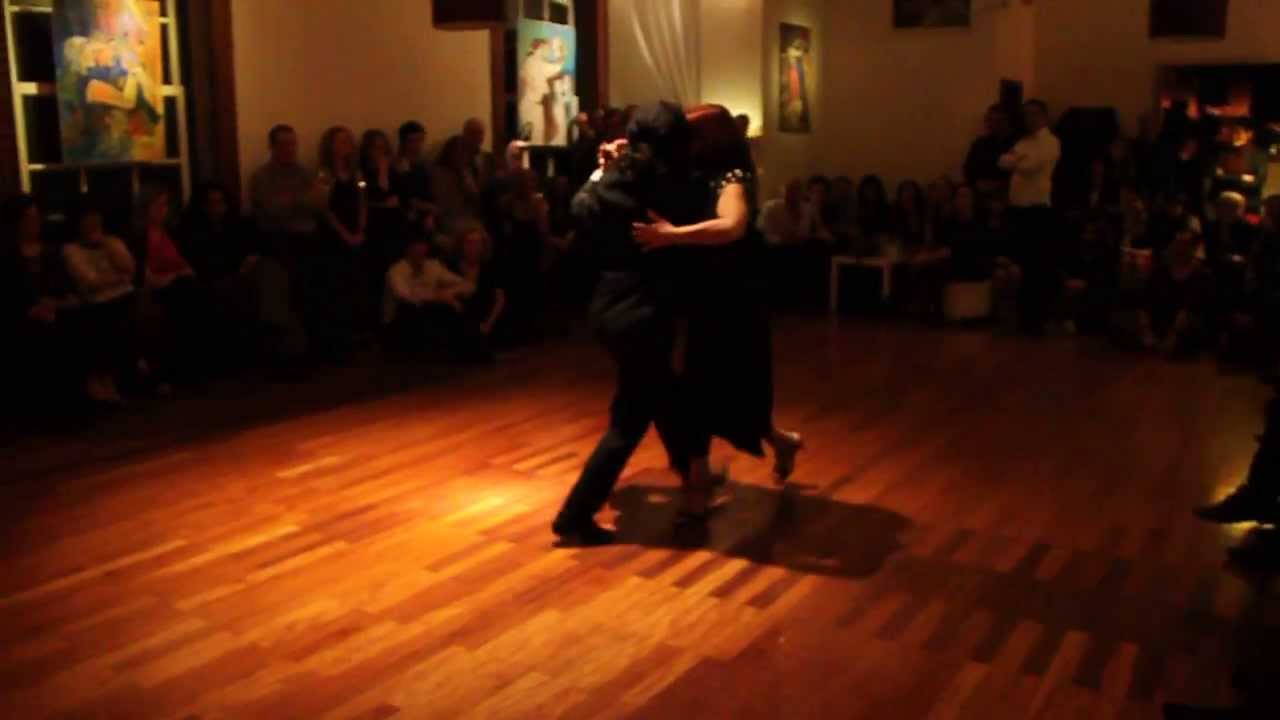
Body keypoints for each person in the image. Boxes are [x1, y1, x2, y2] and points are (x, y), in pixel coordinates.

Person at [632, 103, 806, 503]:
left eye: (692, 135)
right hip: (708, 292)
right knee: (707, 386)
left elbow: (732, 226)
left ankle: (703, 481)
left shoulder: (732, 178)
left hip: (732, 297)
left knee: (720, 386)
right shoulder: (698, 172)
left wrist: (671, 235)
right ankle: (759, 451)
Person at [551, 102, 702, 545]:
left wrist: (604, 168)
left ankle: (692, 471)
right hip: (645, 311)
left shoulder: (617, 178)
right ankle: (575, 516)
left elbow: (580, 207)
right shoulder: (674, 183)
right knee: (630, 419)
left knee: (664, 393)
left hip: (608, 305)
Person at [179, 183, 306, 364]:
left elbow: (254, 246)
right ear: (202, 206)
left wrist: (251, 260)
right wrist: (236, 269)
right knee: (266, 279)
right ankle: (281, 336)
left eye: (221, 202)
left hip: (247, 273)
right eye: (212, 203)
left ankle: (280, 332)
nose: (217, 208)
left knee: (270, 269)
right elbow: (202, 264)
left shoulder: (235, 224)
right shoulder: (193, 232)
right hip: (219, 278)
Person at [2, 195, 78, 419]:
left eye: (36, 217)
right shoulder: (7, 256)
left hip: (56, 309)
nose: (34, 223)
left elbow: (68, 290)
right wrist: (29, 310)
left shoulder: (50, 253)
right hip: (19, 315)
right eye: (28, 218)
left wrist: (56, 304)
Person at [63, 203, 139, 404]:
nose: (94, 225)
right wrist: (118, 279)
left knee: (128, 308)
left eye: (96, 220)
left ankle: (120, 375)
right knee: (103, 316)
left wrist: (108, 246)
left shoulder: (112, 242)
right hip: (94, 300)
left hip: (122, 294)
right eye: (88, 220)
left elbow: (129, 268)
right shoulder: (71, 249)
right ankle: (99, 379)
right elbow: (90, 281)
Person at [133, 186, 209, 384]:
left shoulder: (172, 232)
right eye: (157, 205)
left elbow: (185, 265)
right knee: (184, 293)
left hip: (178, 282)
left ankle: (192, 365)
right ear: (145, 208)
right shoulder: (138, 236)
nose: (162, 209)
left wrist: (179, 274)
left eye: (165, 204)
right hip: (155, 286)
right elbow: (143, 273)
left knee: (192, 290)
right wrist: (169, 278)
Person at [999, 99, 1062, 334]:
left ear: (1045, 116)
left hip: (1037, 211)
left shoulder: (1051, 142)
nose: (1030, 118)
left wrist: (1015, 160)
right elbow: (1002, 162)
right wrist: (1017, 160)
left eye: (1035, 113)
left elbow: (1030, 166)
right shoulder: (1023, 141)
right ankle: (1024, 318)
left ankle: (1035, 320)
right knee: (1023, 263)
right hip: (1018, 210)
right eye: (1027, 114)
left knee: (1036, 266)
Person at [381, 232, 488, 360]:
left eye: (422, 248)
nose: (420, 252)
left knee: (459, 305)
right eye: (416, 248)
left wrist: (448, 293)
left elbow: (468, 286)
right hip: (399, 322)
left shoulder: (432, 266)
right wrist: (438, 296)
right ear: (407, 250)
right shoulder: (396, 271)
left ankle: (469, 347)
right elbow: (405, 296)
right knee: (423, 307)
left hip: (429, 314)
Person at [308, 125, 365, 354]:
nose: (346, 144)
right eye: (340, 141)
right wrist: (344, 234)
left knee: (354, 283)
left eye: (348, 140)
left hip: (354, 231)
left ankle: (354, 332)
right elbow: (323, 209)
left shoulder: (356, 173)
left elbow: (362, 199)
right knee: (335, 285)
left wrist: (361, 228)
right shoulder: (324, 174)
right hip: (333, 236)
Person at [1139, 218, 1214, 357]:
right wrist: (1146, 330)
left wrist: (1172, 336)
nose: (1180, 249)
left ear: (1193, 249)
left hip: (1184, 328)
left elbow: (1190, 309)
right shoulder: (1161, 271)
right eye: (1177, 244)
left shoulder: (1201, 275)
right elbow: (1146, 301)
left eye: (1185, 245)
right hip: (1160, 322)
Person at [493, 168, 552, 343]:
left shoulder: (538, 203)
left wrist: (546, 255)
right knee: (516, 291)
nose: (528, 185)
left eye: (530, 181)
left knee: (533, 290)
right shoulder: (506, 204)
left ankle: (531, 329)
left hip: (532, 253)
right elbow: (503, 232)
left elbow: (543, 233)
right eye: (525, 181)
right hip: (513, 254)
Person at [248, 124, 318, 263]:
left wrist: (291, 200)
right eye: (284, 144)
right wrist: (301, 200)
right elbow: (272, 210)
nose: (290, 149)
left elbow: (317, 205)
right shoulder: (261, 176)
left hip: (308, 235)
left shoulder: (305, 173)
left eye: (292, 144)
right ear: (272, 147)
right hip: (277, 237)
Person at [360, 128, 406, 310]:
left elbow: (399, 195)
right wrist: (383, 171)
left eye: (383, 148)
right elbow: (379, 193)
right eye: (376, 148)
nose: (380, 152)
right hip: (376, 225)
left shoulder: (394, 170)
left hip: (394, 223)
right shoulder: (363, 172)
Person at [452, 224, 508, 344]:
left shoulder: (490, 268)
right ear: (461, 245)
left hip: (485, 320)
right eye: (469, 242)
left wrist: (489, 323)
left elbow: (500, 299)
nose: (473, 247)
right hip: (458, 322)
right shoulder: (451, 267)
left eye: (478, 243)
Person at [431, 135, 482, 240]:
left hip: (468, 217)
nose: (462, 156)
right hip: (448, 218)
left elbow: (476, 198)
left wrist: (465, 178)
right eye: (459, 152)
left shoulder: (468, 171)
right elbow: (441, 202)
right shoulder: (438, 173)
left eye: (465, 152)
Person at [963, 104, 1017, 198]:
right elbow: (968, 169)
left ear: (1006, 121)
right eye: (989, 120)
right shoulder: (980, 144)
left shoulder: (1018, 144)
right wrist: (977, 183)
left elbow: (1018, 171)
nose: (990, 124)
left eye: (995, 121)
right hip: (979, 190)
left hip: (1007, 192)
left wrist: (999, 185)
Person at [393, 121, 432, 223]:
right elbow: (405, 197)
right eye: (412, 141)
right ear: (403, 142)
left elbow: (429, 192)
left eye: (420, 140)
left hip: (425, 213)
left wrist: (430, 214)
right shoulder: (397, 165)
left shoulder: (424, 164)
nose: (417, 145)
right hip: (404, 215)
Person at [757, 178, 809, 246]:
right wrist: (783, 239)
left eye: (798, 190)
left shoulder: (808, 210)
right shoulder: (771, 208)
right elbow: (762, 234)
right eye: (791, 190)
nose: (794, 194)